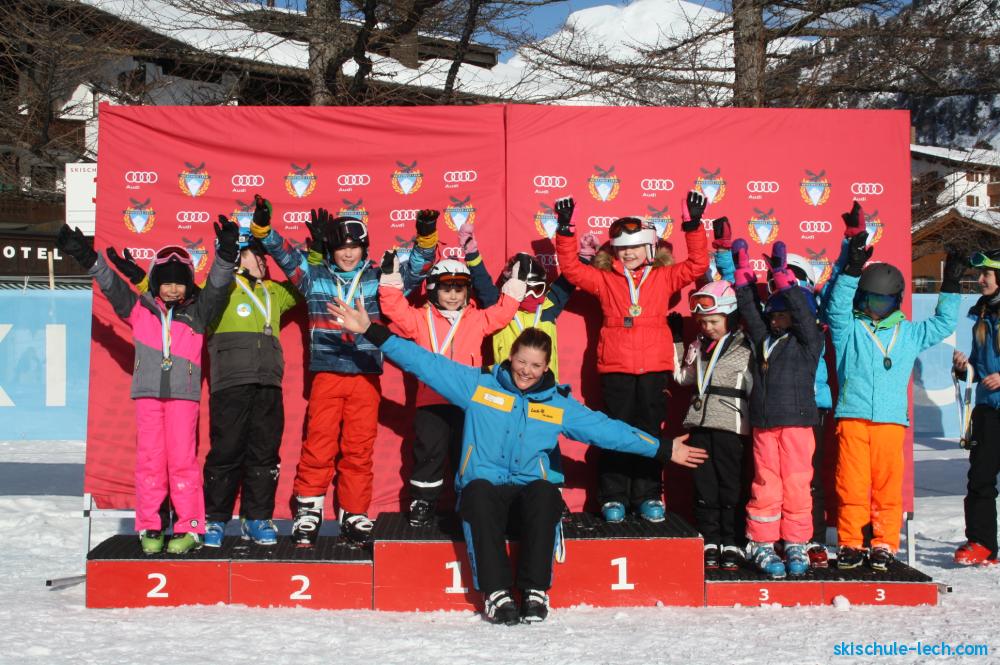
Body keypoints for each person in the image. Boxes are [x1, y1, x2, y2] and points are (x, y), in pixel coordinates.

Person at [327, 296, 707, 624]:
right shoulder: (478, 386)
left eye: (535, 366)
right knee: (477, 492)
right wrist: (370, 330)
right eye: (522, 362)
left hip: (528, 493)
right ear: (510, 357)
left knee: (545, 494)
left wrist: (662, 448)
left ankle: (535, 590)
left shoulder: (557, 405)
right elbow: (423, 362)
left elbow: (607, 430)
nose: (526, 371)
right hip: (486, 490)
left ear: (547, 368)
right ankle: (496, 593)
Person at [249, 203, 435, 545]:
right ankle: (309, 510)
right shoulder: (315, 277)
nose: (348, 254)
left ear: (364, 248)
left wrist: (425, 238)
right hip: (327, 373)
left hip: (365, 374)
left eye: (354, 247)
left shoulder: (379, 280)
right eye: (341, 248)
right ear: (330, 250)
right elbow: (286, 257)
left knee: (359, 448)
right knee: (318, 444)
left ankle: (355, 512)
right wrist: (264, 230)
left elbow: (415, 273)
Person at [57, 220, 239, 554]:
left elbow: (216, 285)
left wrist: (226, 253)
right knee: (150, 462)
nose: (173, 289)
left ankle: (188, 527)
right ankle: (151, 525)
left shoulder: (198, 312)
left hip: (183, 397)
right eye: (166, 283)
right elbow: (111, 285)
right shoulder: (140, 310)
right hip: (147, 396)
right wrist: (86, 257)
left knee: (182, 462)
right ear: (155, 283)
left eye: (179, 283)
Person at [554, 193, 710, 523]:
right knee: (614, 431)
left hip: (654, 368)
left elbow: (697, 265)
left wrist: (693, 226)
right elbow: (571, 269)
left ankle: (648, 494)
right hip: (617, 367)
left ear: (650, 247)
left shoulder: (664, 277)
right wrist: (566, 230)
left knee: (649, 431)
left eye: (635, 247)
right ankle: (613, 496)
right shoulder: (604, 279)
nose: (628, 254)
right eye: (622, 248)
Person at [827, 231, 962, 571]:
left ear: (897, 301)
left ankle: (884, 543)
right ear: (861, 299)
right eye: (871, 301)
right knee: (851, 485)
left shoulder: (910, 333)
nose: (876, 309)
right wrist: (851, 270)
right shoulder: (849, 329)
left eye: (884, 303)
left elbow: (944, 323)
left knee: (887, 487)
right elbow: (836, 307)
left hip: (890, 421)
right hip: (853, 417)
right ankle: (851, 543)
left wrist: (951, 284)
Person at [378, 246, 526, 526]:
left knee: (467, 452)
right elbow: (394, 308)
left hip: (468, 402)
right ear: (434, 290)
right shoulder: (420, 319)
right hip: (431, 401)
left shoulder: (477, 319)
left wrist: (516, 284)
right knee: (429, 452)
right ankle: (423, 501)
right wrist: (389, 277)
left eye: (459, 289)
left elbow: (502, 313)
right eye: (447, 289)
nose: (454, 295)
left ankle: (469, 499)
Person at [200, 200, 302, 547]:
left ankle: (257, 517)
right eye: (254, 254)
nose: (262, 261)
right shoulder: (220, 289)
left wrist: (314, 252)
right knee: (226, 451)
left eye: (263, 255)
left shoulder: (274, 292)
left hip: (268, 383)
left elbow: (306, 282)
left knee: (264, 452)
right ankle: (215, 518)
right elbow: (212, 290)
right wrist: (226, 256)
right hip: (231, 384)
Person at [733, 239, 825, 578]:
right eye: (774, 314)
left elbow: (803, 314)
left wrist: (784, 279)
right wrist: (743, 275)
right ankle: (762, 542)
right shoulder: (764, 340)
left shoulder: (809, 342)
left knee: (797, 482)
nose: (776, 319)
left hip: (797, 423)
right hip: (764, 423)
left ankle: (797, 541)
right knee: (765, 483)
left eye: (783, 314)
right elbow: (750, 312)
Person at [674, 277, 752, 571]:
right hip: (700, 424)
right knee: (704, 484)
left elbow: (755, 387)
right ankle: (709, 539)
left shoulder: (746, 345)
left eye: (714, 321)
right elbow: (683, 378)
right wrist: (677, 342)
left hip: (731, 426)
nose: (707, 327)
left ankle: (732, 540)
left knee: (729, 484)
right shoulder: (699, 344)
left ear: (730, 317)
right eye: (703, 321)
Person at [952, 250, 1000, 566]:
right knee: (980, 477)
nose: (980, 280)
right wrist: (963, 368)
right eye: (979, 274)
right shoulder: (981, 315)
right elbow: (980, 368)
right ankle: (982, 543)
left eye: (987, 275)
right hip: (987, 409)